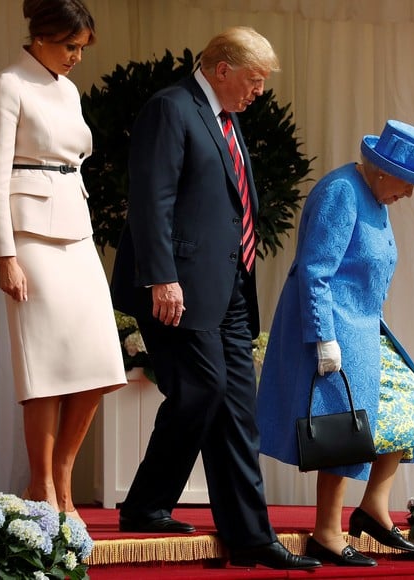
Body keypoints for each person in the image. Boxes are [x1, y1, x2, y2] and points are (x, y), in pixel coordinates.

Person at [109, 27, 320, 570]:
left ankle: (238, 532)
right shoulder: (171, 109)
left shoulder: (227, 120)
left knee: (232, 405)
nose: (259, 92)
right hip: (177, 285)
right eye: (254, 80)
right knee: (205, 389)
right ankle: (162, 507)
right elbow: (151, 197)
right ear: (222, 68)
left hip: (227, 287)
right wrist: (162, 276)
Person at [256, 120, 414, 566]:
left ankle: (374, 507)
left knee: (408, 404)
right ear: (383, 170)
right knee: (343, 427)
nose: (412, 194)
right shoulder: (341, 191)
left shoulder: (376, 198)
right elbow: (315, 271)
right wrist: (323, 338)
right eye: (410, 183)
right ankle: (327, 531)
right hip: (334, 329)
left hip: (365, 329)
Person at [0, 0, 126, 521]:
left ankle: (61, 469)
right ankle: (42, 485)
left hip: (77, 228)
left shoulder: (68, 89)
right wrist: (5, 255)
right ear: (40, 37)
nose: (76, 58)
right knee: (44, 368)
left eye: (81, 48)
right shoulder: (10, 83)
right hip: (31, 237)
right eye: (70, 46)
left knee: (102, 362)